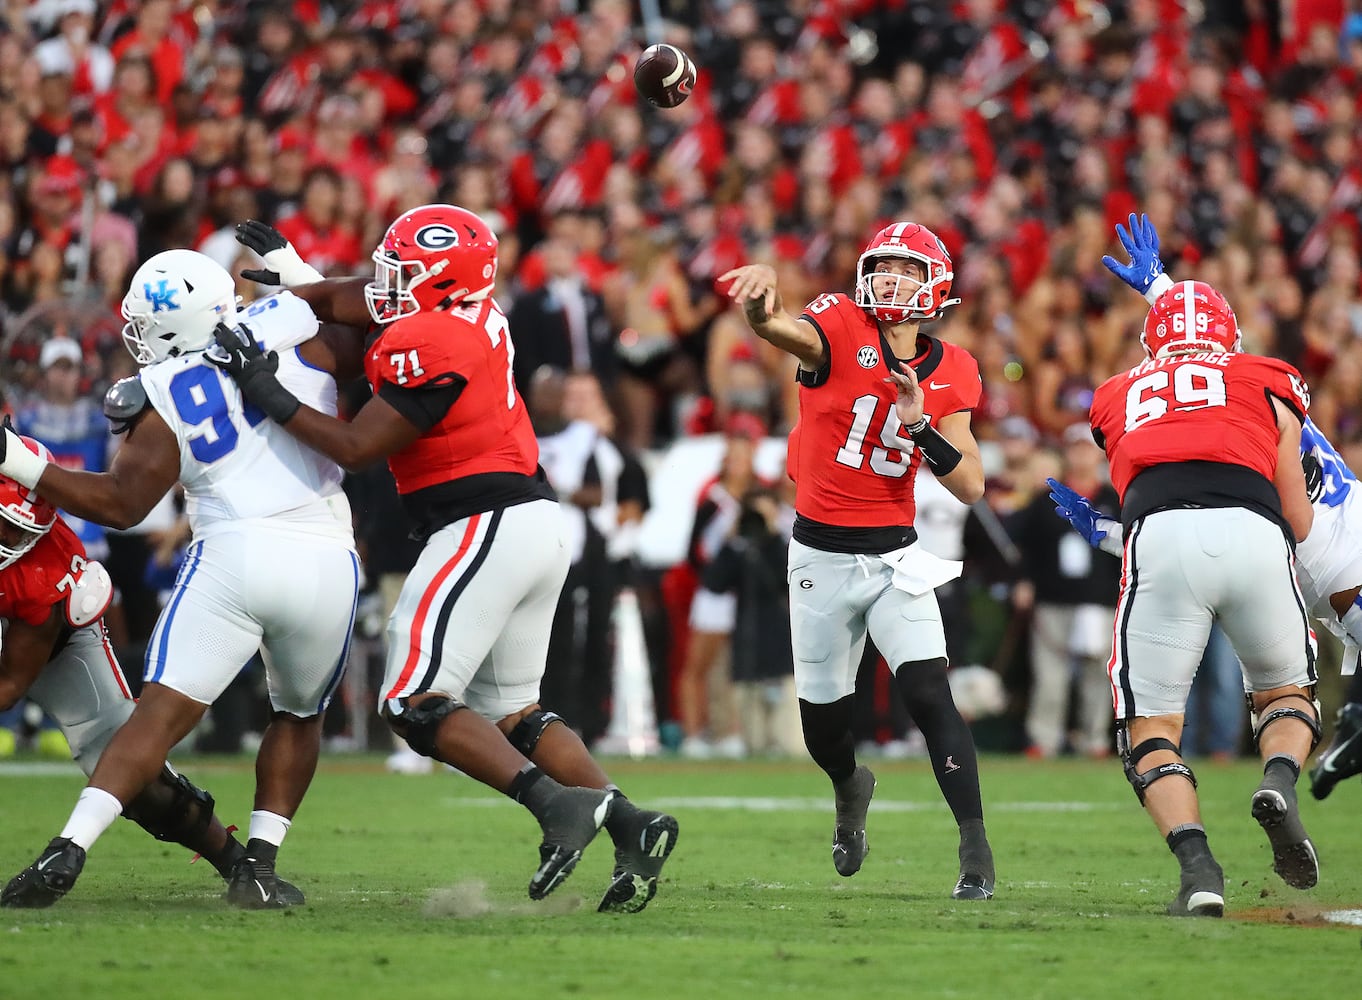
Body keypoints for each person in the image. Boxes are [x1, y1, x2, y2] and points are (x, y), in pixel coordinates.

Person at [214, 207, 678, 912]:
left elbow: (354, 448)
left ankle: (556, 807)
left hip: (482, 522)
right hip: (531, 523)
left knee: (411, 699)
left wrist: (265, 388)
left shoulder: (433, 339)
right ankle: (630, 826)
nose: (386, 284)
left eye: (404, 275)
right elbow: (359, 298)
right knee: (514, 712)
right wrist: (298, 279)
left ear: (441, 285)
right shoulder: (461, 309)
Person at [0, 248, 360, 909]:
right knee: (299, 712)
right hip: (324, 550)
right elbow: (365, 305)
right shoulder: (286, 315)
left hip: (232, 551)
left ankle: (71, 845)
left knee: (158, 716)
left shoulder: (162, 391)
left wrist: (17, 460)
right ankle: (260, 865)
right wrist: (307, 276)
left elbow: (121, 504)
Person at [718, 222, 996, 900]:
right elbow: (785, 331)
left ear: (935, 286)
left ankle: (975, 849)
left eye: (908, 268)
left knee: (930, 692)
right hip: (819, 555)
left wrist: (921, 423)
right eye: (885, 266)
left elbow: (971, 486)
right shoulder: (839, 323)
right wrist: (758, 306)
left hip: (895, 558)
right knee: (824, 730)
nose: (892, 278)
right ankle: (850, 785)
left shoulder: (953, 365)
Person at [1052, 274, 1318, 918]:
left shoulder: (1116, 393)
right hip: (1256, 532)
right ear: (1231, 335)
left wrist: (1107, 532)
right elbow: (1299, 520)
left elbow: (1152, 498)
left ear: (1150, 342)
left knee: (1151, 726)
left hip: (1161, 542)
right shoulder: (1269, 378)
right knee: (1285, 693)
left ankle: (1199, 872)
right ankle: (1278, 781)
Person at [1082, 213, 1362, 799]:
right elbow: (1213, 364)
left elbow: (1197, 370)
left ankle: (1351, 731)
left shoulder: (1197, 391)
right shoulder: (1263, 383)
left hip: (1307, 545)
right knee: (1292, 692)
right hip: (1315, 548)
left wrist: (1162, 291)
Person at [0, 457, 303, 908]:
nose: (9, 539)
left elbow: (10, 682)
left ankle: (235, 861)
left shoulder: (43, 570)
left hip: (54, 649)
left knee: (127, 766)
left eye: (19, 530)